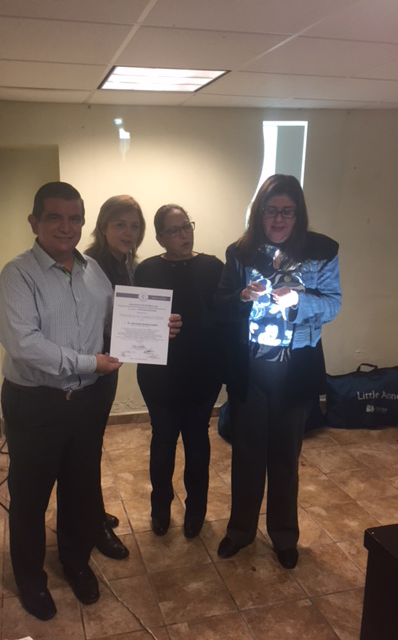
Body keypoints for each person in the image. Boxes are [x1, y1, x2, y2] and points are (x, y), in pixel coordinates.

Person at [0, 182, 123, 620]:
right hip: (35, 405)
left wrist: (152, 330)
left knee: (80, 489)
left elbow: (112, 322)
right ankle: (31, 580)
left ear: (83, 223)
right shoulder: (17, 275)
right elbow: (24, 344)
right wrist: (90, 363)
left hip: (85, 402)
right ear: (35, 222)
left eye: (74, 218)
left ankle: (75, 562)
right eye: (54, 217)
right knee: (30, 498)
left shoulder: (93, 271)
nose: (66, 227)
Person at [214, 174, 341, 569]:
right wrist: (241, 295)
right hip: (250, 369)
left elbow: (333, 304)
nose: (279, 219)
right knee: (247, 456)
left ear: (298, 214)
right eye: (271, 211)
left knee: (286, 458)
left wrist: (299, 300)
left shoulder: (322, 250)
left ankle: (284, 535)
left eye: (288, 211)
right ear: (260, 213)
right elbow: (220, 303)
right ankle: (240, 531)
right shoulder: (240, 252)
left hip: (295, 370)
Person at [135, 204, 224, 539]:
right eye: (174, 230)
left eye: (187, 226)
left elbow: (224, 316)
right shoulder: (146, 270)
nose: (184, 235)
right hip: (158, 373)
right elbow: (136, 320)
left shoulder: (213, 267)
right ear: (160, 238)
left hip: (204, 369)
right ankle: (160, 507)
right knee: (163, 440)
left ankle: (196, 510)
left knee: (197, 440)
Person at [84, 195, 146, 560]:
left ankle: (92, 511)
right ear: (103, 227)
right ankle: (93, 525)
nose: (128, 232)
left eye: (134, 226)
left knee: (93, 445)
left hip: (108, 368)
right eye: (120, 224)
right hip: (89, 370)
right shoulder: (91, 266)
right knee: (87, 450)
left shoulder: (127, 264)